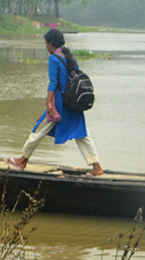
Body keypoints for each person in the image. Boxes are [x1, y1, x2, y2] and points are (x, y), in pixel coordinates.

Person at [6, 29, 103, 176]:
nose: (45, 46)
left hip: (59, 104)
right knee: (82, 134)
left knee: (39, 128)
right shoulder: (70, 57)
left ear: (51, 43)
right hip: (73, 104)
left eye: (46, 43)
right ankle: (96, 167)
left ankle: (22, 160)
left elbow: (53, 83)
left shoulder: (54, 59)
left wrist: (48, 104)